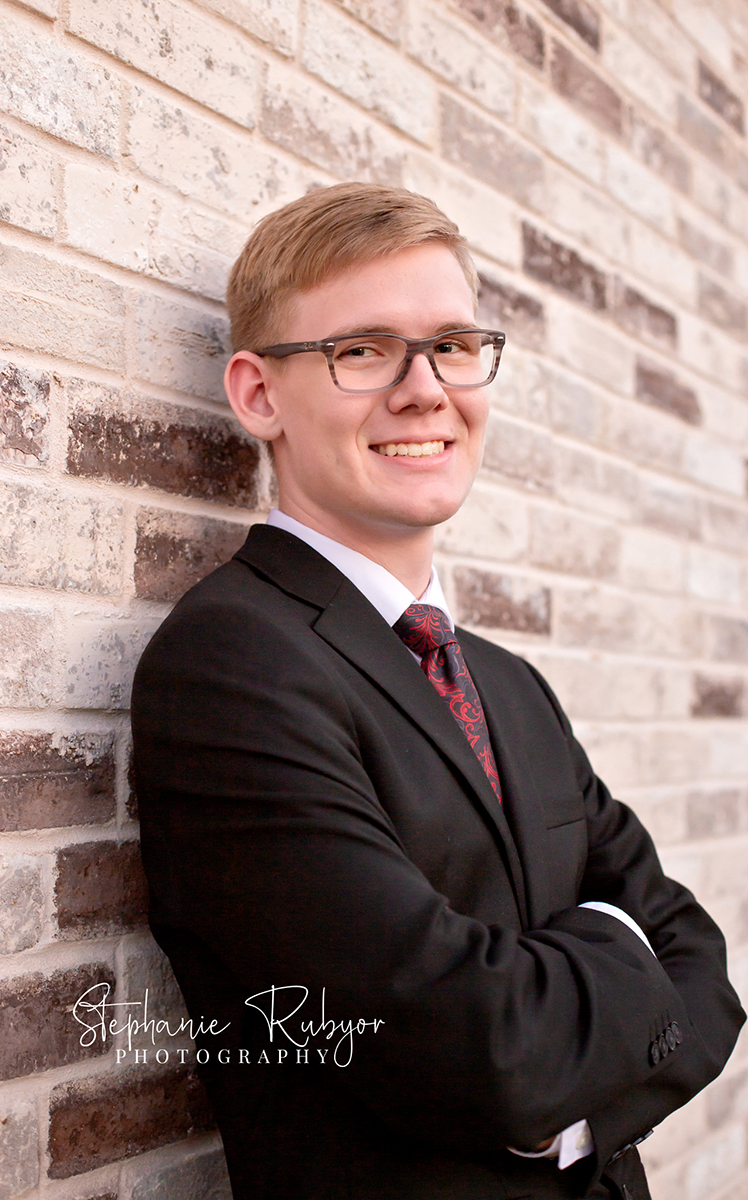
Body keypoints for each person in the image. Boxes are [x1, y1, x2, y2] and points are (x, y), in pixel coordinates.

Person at [131, 183, 744, 1200]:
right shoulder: (232, 665)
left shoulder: (508, 684)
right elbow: (473, 1046)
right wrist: (609, 961)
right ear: (257, 394)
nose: (425, 390)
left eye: (453, 345)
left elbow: (704, 976)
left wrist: (557, 1079)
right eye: (361, 350)